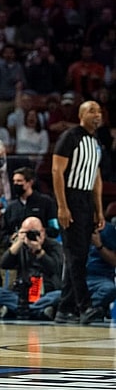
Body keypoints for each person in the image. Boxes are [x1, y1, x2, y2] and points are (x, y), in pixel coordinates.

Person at [52, 101, 106, 324]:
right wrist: (62, 206)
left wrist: (99, 210)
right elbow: (57, 171)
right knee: (75, 256)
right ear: (81, 115)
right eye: (92, 111)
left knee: (80, 257)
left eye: (99, 111)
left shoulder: (96, 142)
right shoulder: (70, 136)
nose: (97, 114)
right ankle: (84, 306)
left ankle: (65, 309)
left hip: (86, 201)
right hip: (71, 197)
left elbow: (96, 178)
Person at [0, 217, 63, 319]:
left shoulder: (54, 245)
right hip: (22, 294)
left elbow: (55, 268)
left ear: (43, 232)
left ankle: (22, 310)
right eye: (27, 232)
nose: (31, 236)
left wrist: (39, 251)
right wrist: (18, 243)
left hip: (46, 291)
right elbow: (4, 264)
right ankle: (37, 311)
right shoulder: (20, 246)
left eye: (35, 232)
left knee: (60, 295)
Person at [3, 167, 59, 244]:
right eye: (14, 181)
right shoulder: (11, 207)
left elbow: (55, 229)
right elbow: (4, 234)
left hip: (44, 246)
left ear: (30, 182)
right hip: (18, 247)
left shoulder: (46, 202)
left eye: (19, 181)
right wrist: (12, 238)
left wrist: (38, 232)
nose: (16, 184)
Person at [87, 223, 116, 320]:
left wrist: (99, 245)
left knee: (109, 289)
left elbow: (114, 261)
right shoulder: (78, 228)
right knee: (56, 296)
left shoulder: (108, 230)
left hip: (100, 279)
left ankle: (84, 309)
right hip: (78, 279)